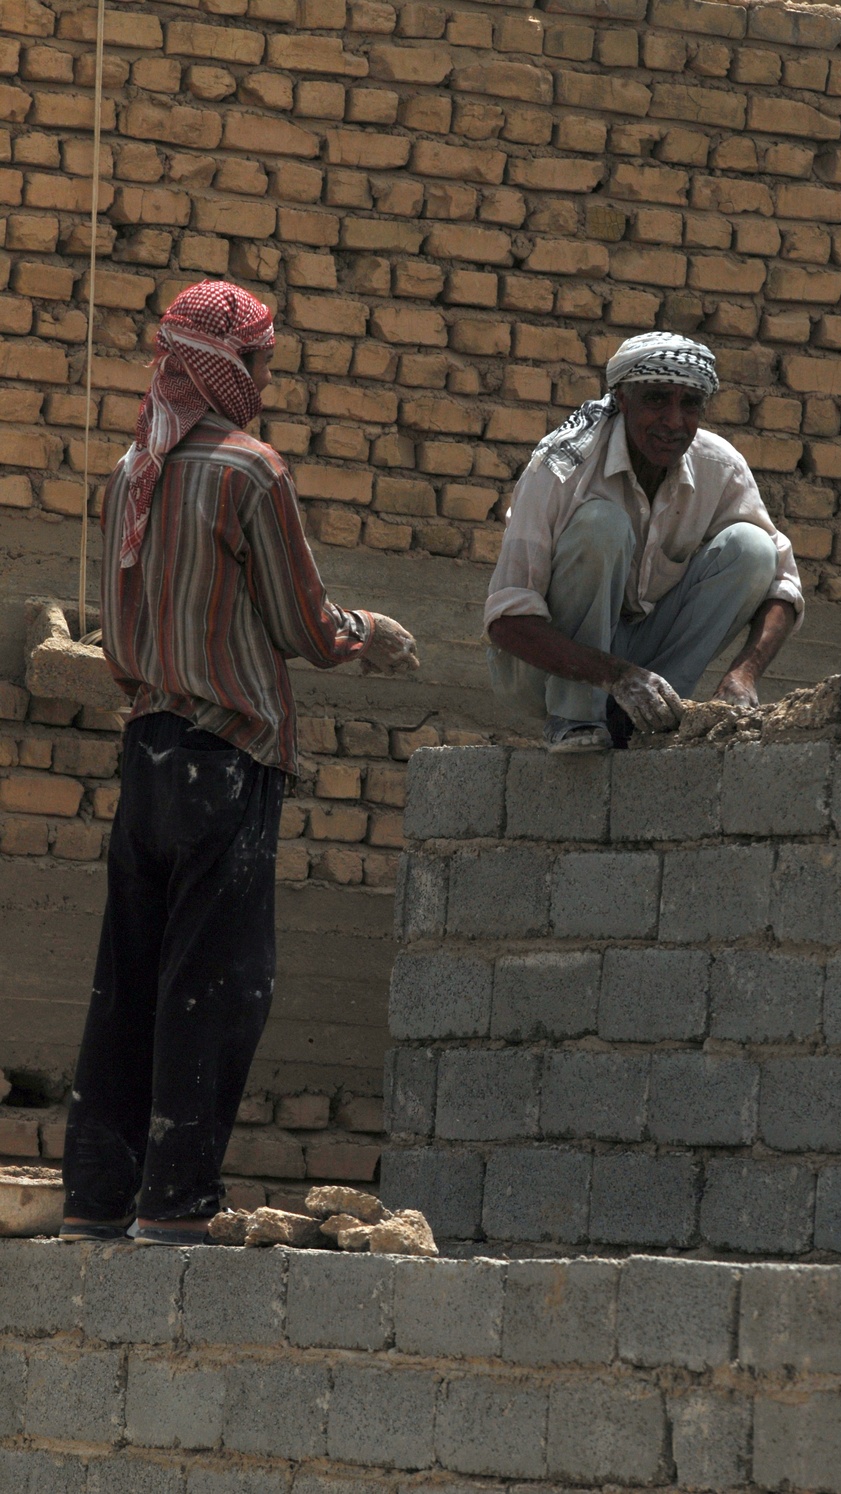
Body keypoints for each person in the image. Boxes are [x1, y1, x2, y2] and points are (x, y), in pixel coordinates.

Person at [60, 280, 418, 1246]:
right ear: (223, 367)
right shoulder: (249, 472)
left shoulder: (129, 471)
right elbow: (304, 626)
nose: (267, 377)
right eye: (259, 361)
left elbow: (116, 635)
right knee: (218, 984)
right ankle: (176, 1201)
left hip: (146, 756)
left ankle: (97, 1196)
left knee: (127, 980)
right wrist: (367, 635)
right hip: (226, 757)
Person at [485, 332, 803, 752]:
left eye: (689, 404)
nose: (674, 421)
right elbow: (507, 620)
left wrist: (744, 675)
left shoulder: (719, 467)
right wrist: (616, 676)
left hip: (639, 665)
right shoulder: (561, 466)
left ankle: (654, 716)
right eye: (656, 399)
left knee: (753, 548)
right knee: (603, 524)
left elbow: (784, 586)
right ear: (621, 399)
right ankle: (577, 719)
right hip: (544, 672)